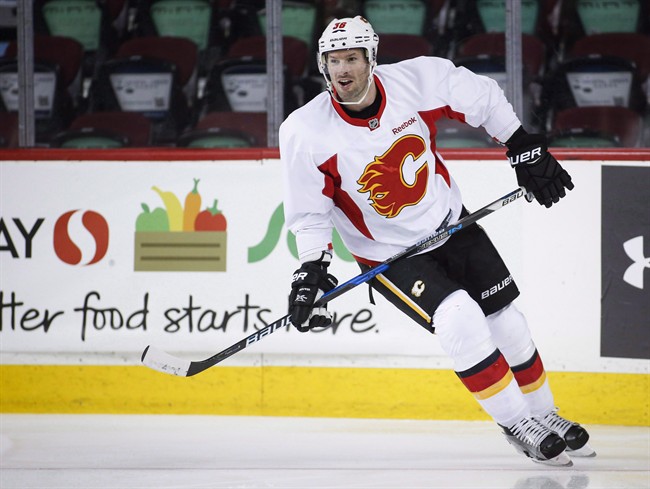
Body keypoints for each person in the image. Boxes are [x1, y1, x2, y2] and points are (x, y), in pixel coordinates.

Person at [279, 15, 593, 466]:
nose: (342, 70)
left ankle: (546, 415)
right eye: (333, 60)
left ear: (371, 59)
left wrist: (521, 144)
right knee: (459, 317)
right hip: (389, 255)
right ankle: (517, 422)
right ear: (322, 65)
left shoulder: (416, 81)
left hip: (449, 223)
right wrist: (311, 267)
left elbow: (482, 97)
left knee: (507, 321)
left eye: (352, 58)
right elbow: (311, 211)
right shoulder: (305, 131)